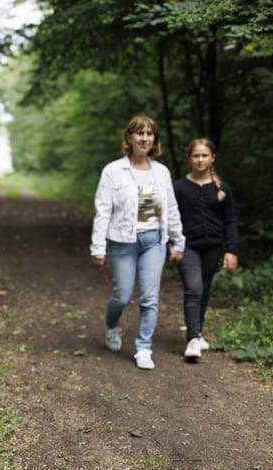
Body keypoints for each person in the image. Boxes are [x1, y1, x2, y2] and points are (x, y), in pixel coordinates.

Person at [90, 115, 185, 370]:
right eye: (139, 133)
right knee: (122, 296)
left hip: (154, 241)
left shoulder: (161, 172)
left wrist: (178, 241)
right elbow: (103, 211)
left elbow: (171, 209)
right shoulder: (113, 171)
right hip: (122, 242)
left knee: (149, 298)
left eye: (149, 134)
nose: (144, 138)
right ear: (129, 138)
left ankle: (144, 348)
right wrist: (98, 246)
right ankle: (112, 324)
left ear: (155, 139)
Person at [174, 138, 239, 360]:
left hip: (213, 246)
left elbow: (230, 220)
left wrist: (231, 250)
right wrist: (172, 244)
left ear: (213, 158)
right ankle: (192, 338)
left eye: (204, 155)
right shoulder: (179, 187)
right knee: (193, 288)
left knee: (204, 289)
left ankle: (198, 331)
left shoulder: (222, 188)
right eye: (196, 155)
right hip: (187, 246)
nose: (200, 160)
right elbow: (171, 218)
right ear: (189, 158)